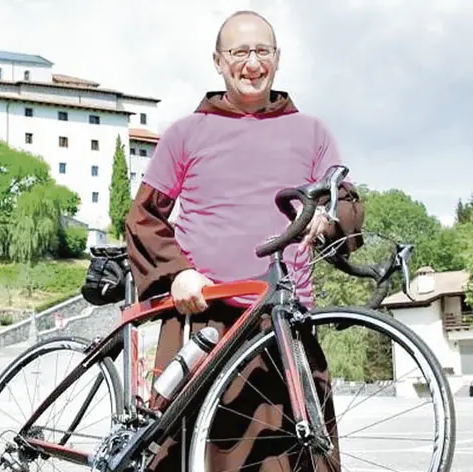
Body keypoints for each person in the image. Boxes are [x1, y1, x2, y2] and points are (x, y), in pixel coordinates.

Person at [124, 10, 365, 472]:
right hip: (204, 316)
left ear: (277, 58)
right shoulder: (186, 133)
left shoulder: (311, 131)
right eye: (239, 52)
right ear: (218, 61)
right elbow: (143, 216)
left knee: (298, 454)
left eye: (262, 51)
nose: (251, 63)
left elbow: (345, 198)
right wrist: (178, 273)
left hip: (283, 322)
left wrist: (328, 219)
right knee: (186, 453)